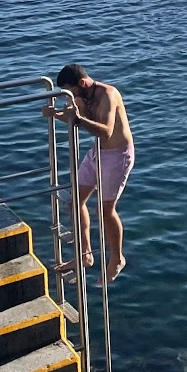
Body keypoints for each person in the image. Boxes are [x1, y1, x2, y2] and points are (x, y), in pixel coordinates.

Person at [44, 62, 134, 281]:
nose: (70, 96)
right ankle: (85, 254)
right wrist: (55, 114)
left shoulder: (108, 95)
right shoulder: (82, 97)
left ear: (82, 83)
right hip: (97, 153)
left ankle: (117, 257)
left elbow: (107, 131)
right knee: (74, 202)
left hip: (117, 156)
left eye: (71, 91)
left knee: (104, 210)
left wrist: (79, 117)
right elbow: (74, 120)